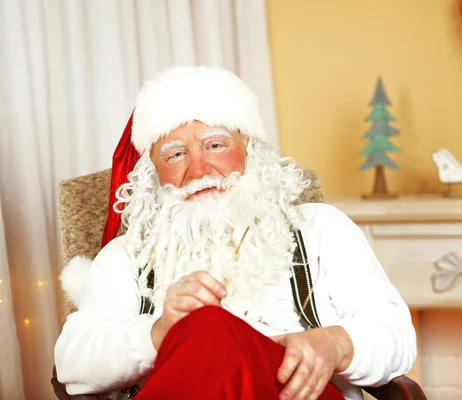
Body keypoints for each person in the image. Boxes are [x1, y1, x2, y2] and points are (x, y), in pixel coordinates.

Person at [54, 65, 416, 400]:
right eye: (175, 154)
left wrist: (334, 344)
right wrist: (159, 332)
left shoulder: (320, 227)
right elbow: (72, 362)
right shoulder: (126, 257)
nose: (198, 170)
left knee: (210, 329)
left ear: (250, 150)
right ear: (152, 173)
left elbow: (398, 337)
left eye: (215, 145)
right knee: (209, 331)